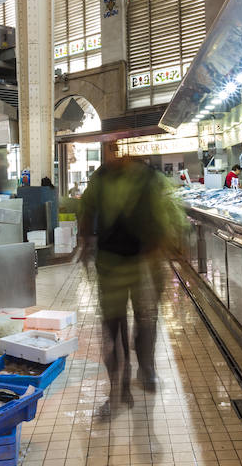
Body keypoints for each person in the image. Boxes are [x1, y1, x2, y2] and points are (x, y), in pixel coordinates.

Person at [79, 154, 186, 417]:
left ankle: (146, 370)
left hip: (144, 263)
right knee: (113, 328)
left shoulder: (150, 178)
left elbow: (170, 214)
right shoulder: (101, 178)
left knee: (145, 320)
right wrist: (84, 242)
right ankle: (119, 390)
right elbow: (86, 210)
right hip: (110, 264)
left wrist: (171, 242)